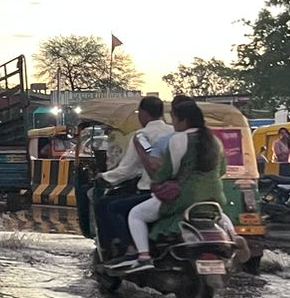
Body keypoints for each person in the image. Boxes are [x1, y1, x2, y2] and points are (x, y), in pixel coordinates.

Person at [115, 98, 228, 272]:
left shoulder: (177, 139)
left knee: (136, 214)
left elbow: (168, 171)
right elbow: (222, 171)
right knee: (221, 217)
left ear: (184, 120)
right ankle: (233, 237)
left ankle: (144, 257)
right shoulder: (215, 141)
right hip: (215, 195)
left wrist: (157, 183)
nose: (173, 123)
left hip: (185, 197)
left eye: (174, 118)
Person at [93, 96, 173, 252]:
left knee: (109, 206)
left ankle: (128, 247)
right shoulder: (174, 132)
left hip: (151, 191)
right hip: (175, 190)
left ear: (143, 114)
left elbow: (128, 169)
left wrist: (104, 176)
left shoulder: (142, 136)